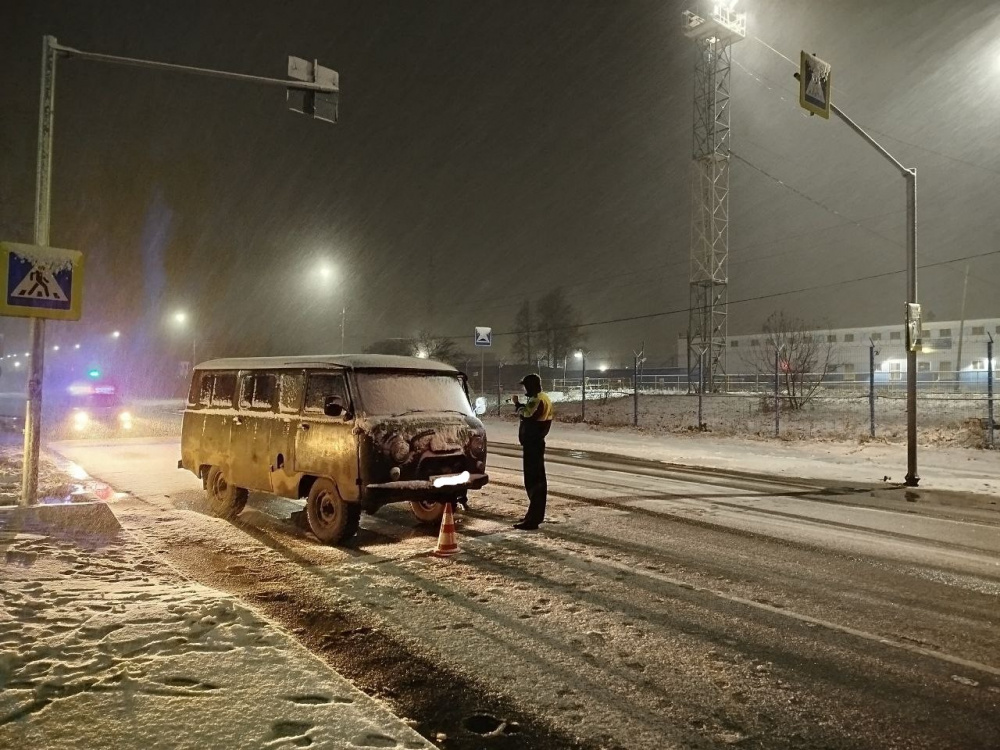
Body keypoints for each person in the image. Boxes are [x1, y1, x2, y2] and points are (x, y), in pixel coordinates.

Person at [511, 373, 554, 530]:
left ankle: (533, 518)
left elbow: (527, 415)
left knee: (534, 481)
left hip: (533, 444)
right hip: (536, 442)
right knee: (537, 480)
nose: (524, 389)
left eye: (525, 386)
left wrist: (517, 405)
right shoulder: (543, 398)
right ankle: (533, 515)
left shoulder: (537, 399)